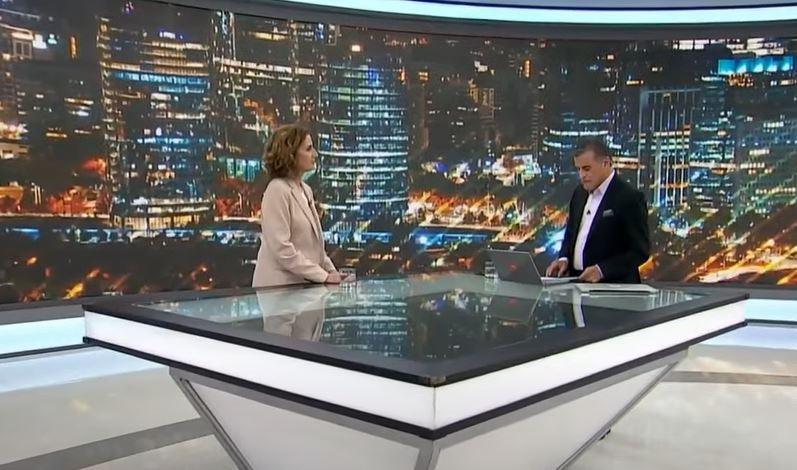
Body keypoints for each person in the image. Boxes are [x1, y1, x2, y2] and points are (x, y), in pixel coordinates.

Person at [546, 138, 650, 283]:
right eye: (578, 169)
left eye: (587, 169)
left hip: (613, 289)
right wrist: (564, 259)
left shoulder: (629, 198)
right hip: (577, 284)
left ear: (605, 163)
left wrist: (602, 271)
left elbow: (640, 251)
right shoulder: (579, 193)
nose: (582, 175)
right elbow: (570, 233)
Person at [252, 124, 343, 288]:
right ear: (290, 154)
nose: (315, 154)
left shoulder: (305, 190)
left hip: (302, 288)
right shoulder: (277, 190)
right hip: (279, 289)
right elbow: (282, 248)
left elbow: (316, 250)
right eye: (308, 149)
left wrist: (332, 272)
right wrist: (324, 276)